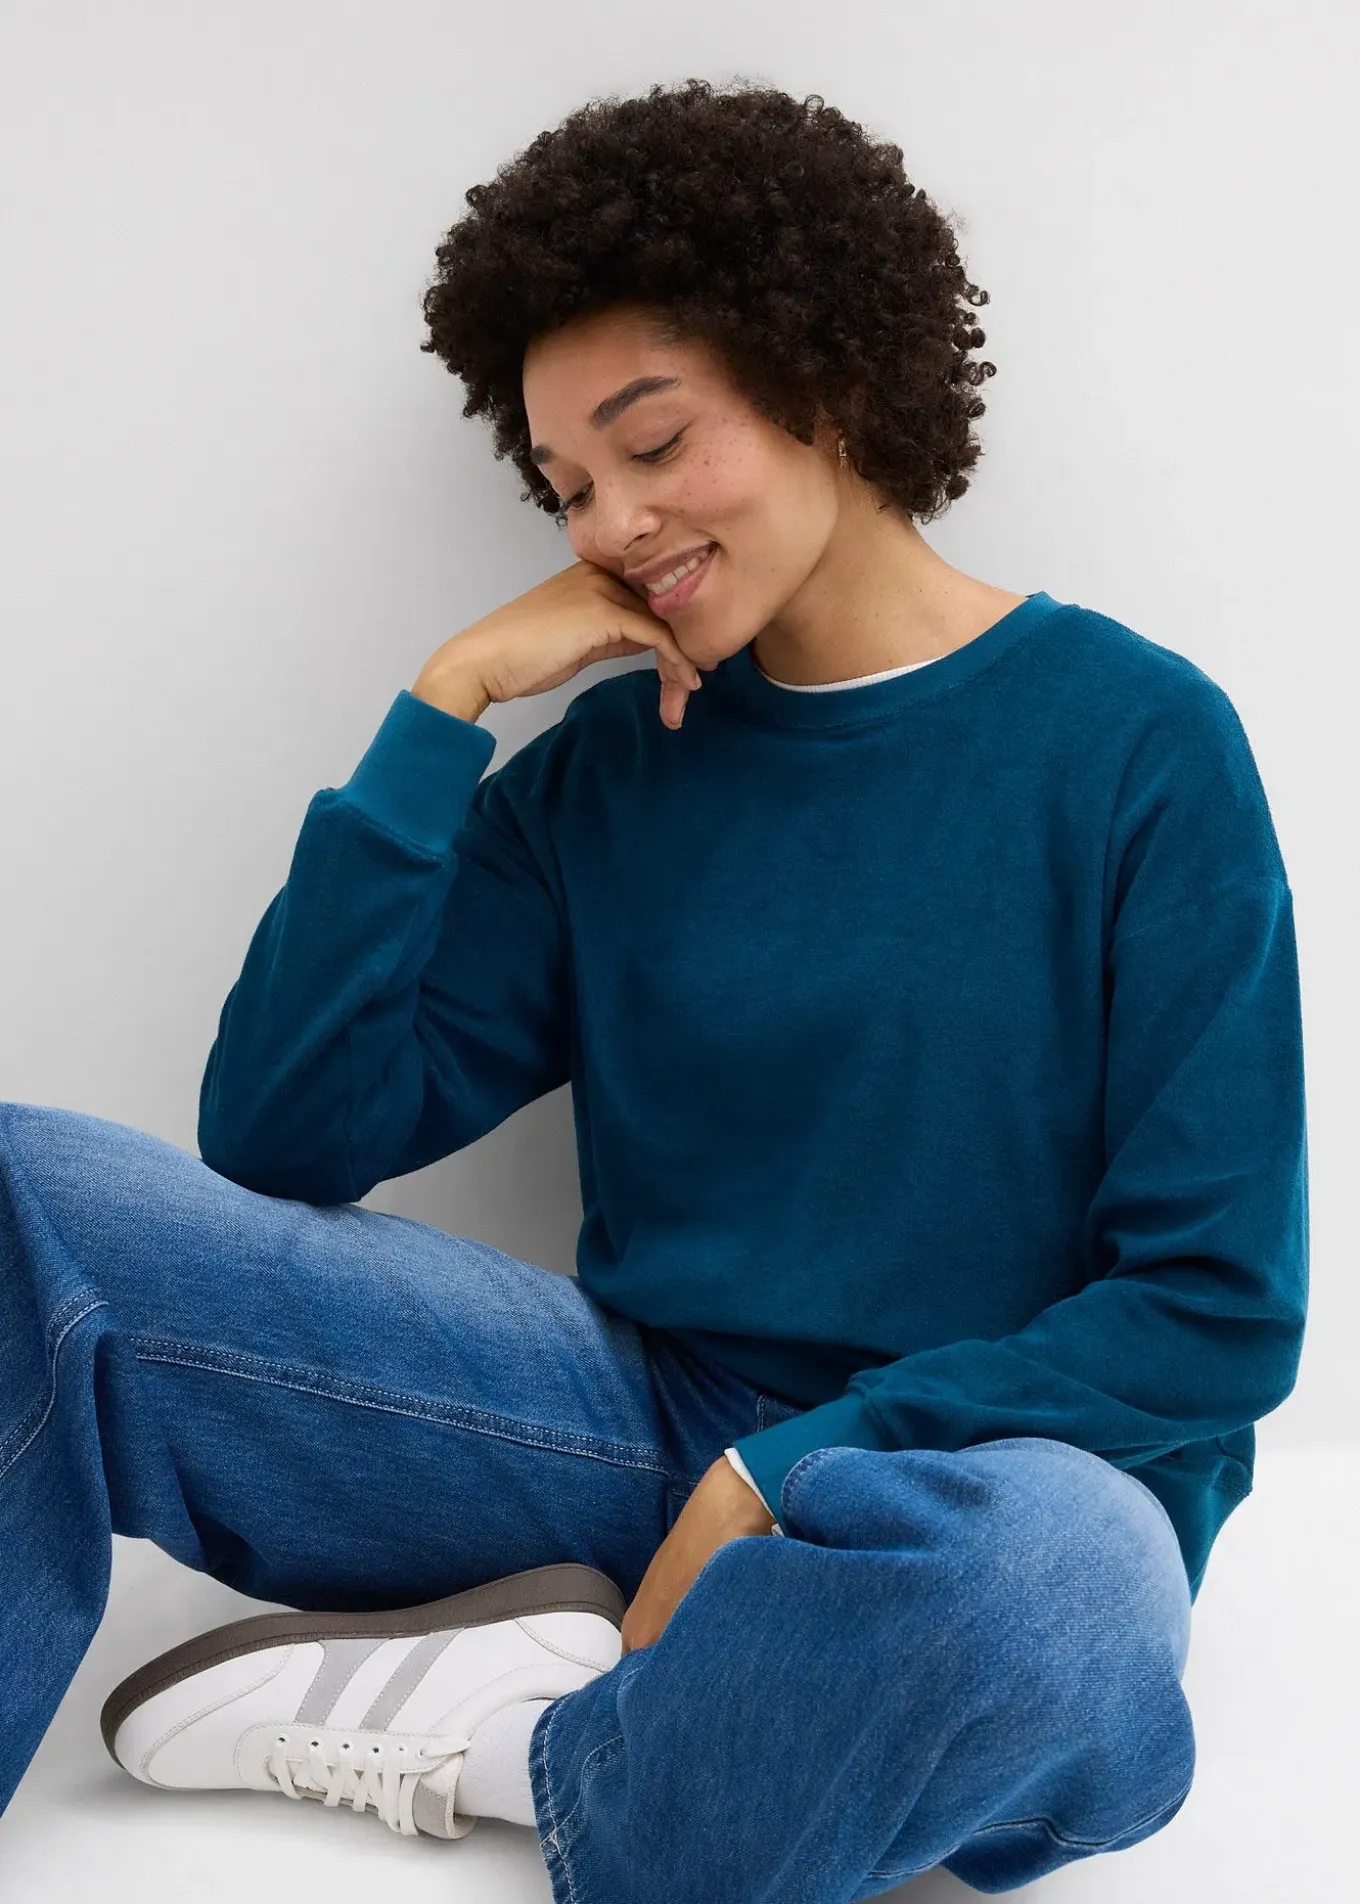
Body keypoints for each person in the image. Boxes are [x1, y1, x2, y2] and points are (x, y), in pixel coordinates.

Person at [0, 77, 1307, 1902]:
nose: (610, 523)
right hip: (635, 1441)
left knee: (1062, 1598)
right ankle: (693, 1714)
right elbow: (287, 1133)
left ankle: (533, 1749)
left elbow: (1216, 1313)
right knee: (29, 1197)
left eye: (654, 443)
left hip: (989, 1488)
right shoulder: (607, 785)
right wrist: (444, 709)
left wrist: (793, 1473)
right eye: (567, 489)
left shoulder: (1139, 744)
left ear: (829, 380)